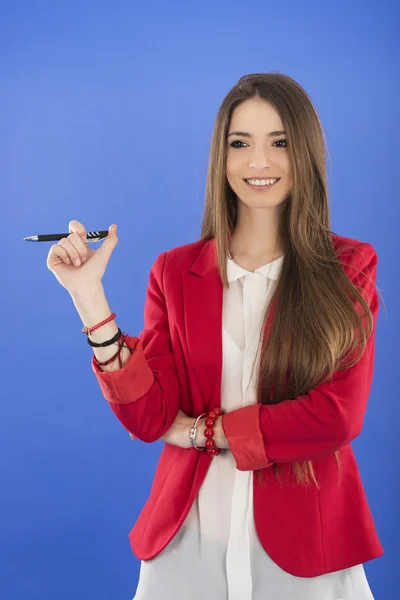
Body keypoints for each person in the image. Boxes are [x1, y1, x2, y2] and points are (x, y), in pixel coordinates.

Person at [47, 72, 384, 600]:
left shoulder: (349, 267)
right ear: (220, 157)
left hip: (309, 546)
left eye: (280, 143)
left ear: (307, 153)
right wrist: (90, 299)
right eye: (240, 143)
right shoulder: (174, 272)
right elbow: (152, 418)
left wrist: (208, 433)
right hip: (188, 541)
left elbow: (337, 415)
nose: (258, 163)